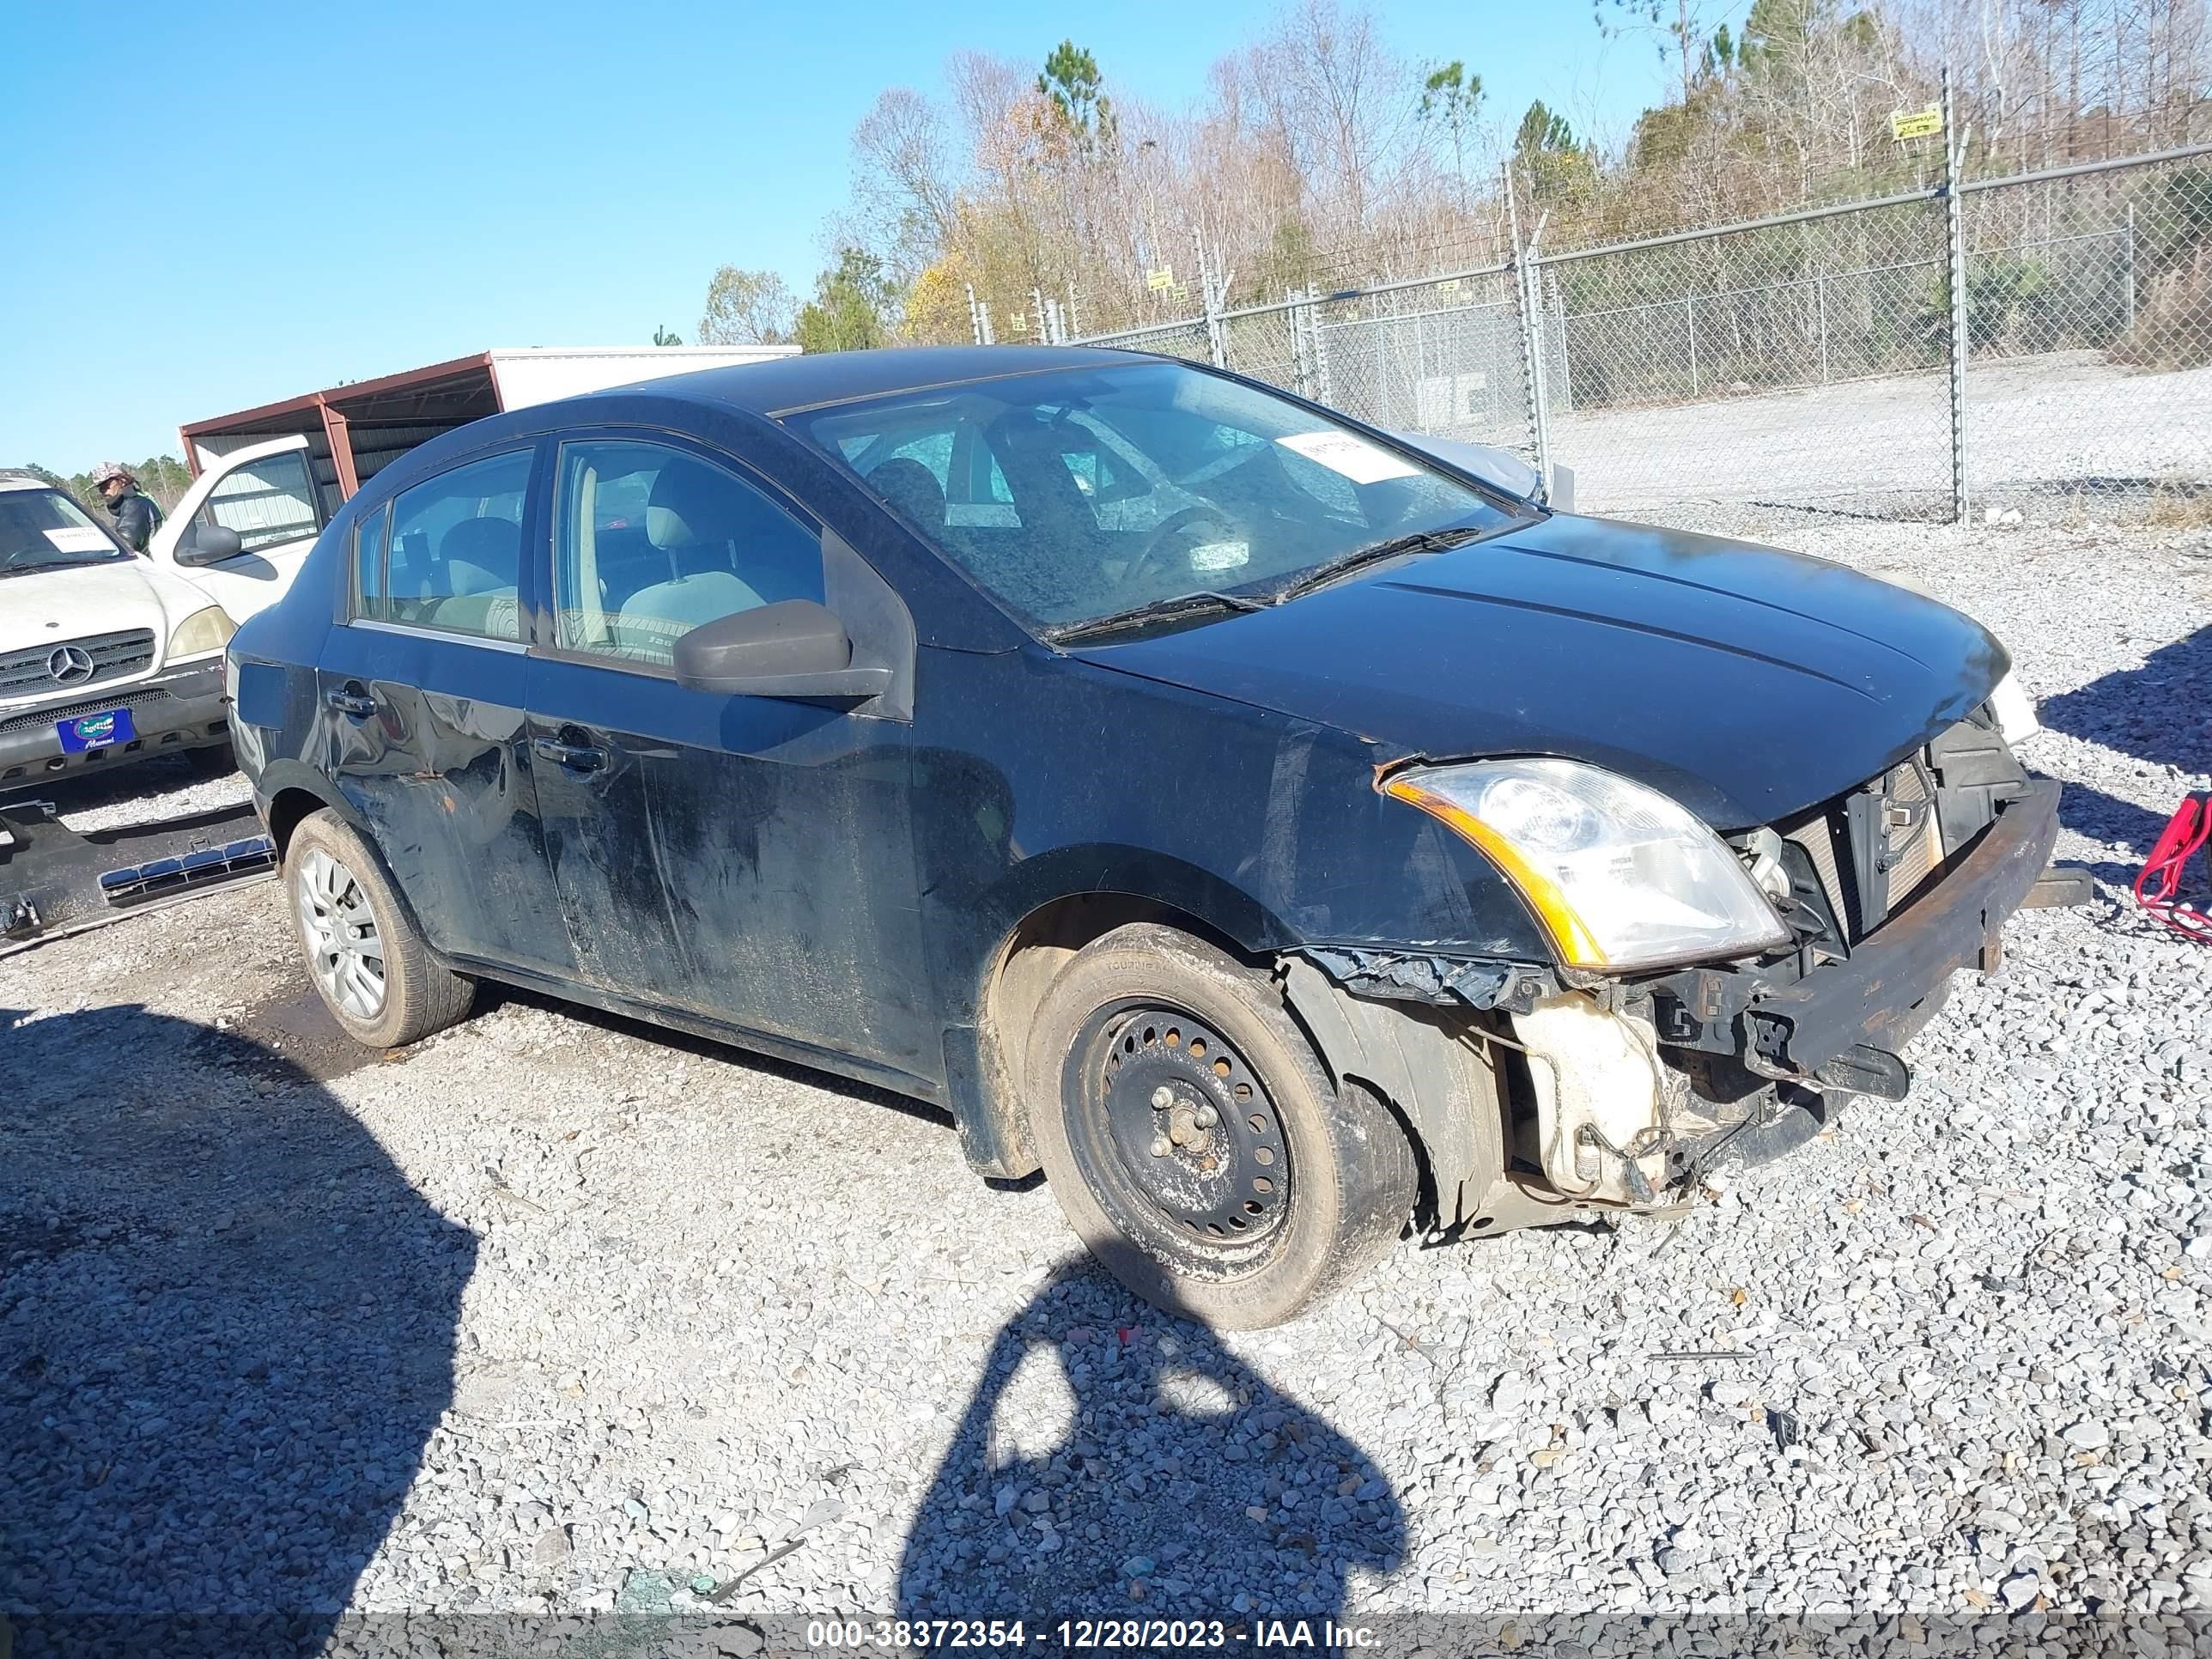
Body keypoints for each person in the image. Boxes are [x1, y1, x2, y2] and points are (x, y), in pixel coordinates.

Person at [89, 461, 162, 553]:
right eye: (100, 488)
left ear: (122, 481)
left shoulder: (134, 506)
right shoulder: (137, 502)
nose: (103, 491)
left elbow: (124, 544)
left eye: (107, 485)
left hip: (148, 565)